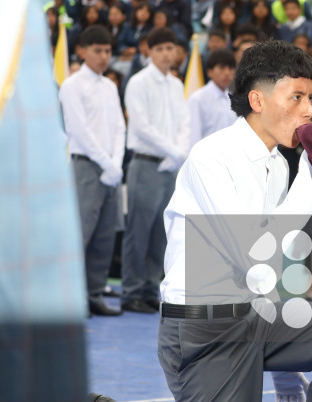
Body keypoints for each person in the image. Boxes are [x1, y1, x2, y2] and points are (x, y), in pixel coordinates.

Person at [157, 40, 312, 401]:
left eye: (311, 97)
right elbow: (253, 258)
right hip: (204, 328)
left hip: (252, 317)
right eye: (297, 97)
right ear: (257, 101)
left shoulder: (276, 165)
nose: (309, 110)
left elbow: (264, 275)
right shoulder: (211, 157)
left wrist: (286, 375)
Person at [59, 26, 126, 318]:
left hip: (111, 168)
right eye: (97, 51)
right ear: (82, 51)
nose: (103, 56)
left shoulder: (110, 86)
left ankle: (94, 294)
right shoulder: (71, 85)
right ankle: (70, 299)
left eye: (108, 51)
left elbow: (120, 127)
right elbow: (79, 130)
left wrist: (117, 162)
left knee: (104, 237)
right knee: (80, 236)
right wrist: (107, 163)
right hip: (86, 166)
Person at [122, 28, 190, 314]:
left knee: (162, 232)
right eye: (159, 48)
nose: (165, 53)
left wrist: (180, 152)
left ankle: (150, 288)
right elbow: (140, 126)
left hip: (170, 166)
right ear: (148, 52)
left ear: (176, 52)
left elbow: (184, 123)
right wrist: (173, 150)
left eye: (169, 48)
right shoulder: (138, 82)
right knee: (139, 229)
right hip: (146, 162)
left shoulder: (175, 84)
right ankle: (131, 290)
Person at [188, 49, 237, 147]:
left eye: (231, 68)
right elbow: (194, 135)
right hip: (206, 153)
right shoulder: (198, 99)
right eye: (222, 67)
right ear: (210, 72)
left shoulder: (234, 99)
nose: (227, 72)